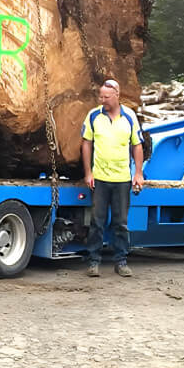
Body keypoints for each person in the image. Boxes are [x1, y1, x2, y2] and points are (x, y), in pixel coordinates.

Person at [80, 79, 145, 277]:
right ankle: (93, 261)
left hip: (122, 179)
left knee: (120, 223)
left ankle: (121, 261)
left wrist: (138, 173)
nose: (103, 100)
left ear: (117, 95)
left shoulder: (129, 117)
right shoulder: (94, 116)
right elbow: (86, 144)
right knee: (97, 222)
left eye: (106, 97)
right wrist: (88, 172)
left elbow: (137, 145)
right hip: (99, 178)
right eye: (101, 96)